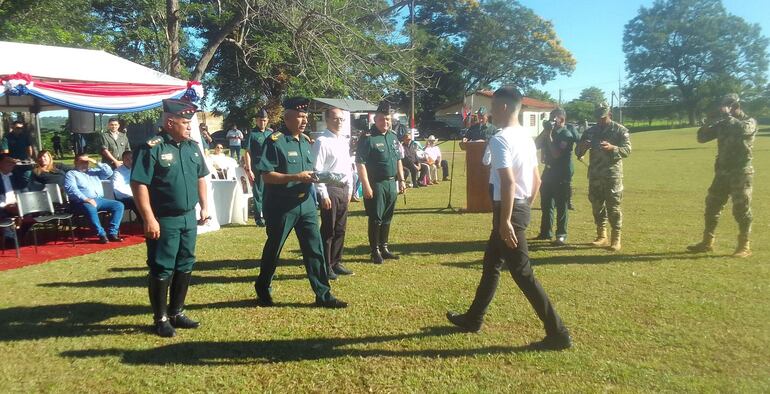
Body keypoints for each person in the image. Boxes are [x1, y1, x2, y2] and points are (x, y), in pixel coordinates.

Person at [446, 87, 572, 351]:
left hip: (509, 210)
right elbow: (536, 179)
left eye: (492, 108)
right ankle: (473, 318)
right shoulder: (526, 137)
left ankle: (557, 332)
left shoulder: (501, 139)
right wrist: (525, 208)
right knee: (491, 263)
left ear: (503, 108)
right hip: (518, 207)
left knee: (522, 272)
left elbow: (508, 182)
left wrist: (506, 221)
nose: (490, 113)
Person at [254, 97, 347, 309]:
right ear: (287, 117)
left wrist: (320, 178)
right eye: (300, 116)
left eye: (306, 116)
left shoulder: (306, 141)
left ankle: (323, 295)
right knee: (274, 249)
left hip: (306, 204)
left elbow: (310, 173)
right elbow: (267, 176)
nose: (304, 120)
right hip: (281, 206)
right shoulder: (275, 141)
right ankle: (263, 287)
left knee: (315, 250)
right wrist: (296, 177)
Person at [130, 99, 210, 338]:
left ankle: (177, 311)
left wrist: (204, 206)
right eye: (185, 122)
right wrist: (149, 218)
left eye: (190, 123)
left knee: (186, 263)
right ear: (169, 122)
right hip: (164, 219)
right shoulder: (151, 147)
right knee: (162, 266)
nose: (189, 127)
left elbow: (201, 178)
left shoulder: (192, 147)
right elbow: (139, 183)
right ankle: (161, 318)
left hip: (188, 217)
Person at [687, 93, 757, 258]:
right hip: (722, 172)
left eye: (729, 105)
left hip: (741, 172)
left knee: (741, 209)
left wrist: (726, 117)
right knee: (712, 206)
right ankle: (707, 241)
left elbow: (742, 130)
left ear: (736, 106)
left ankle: (744, 244)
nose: (725, 108)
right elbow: (701, 138)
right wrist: (708, 122)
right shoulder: (723, 123)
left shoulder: (749, 121)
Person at [575, 102, 631, 252]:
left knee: (613, 206)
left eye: (603, 118)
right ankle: (601, 235)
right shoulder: (590, 131)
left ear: (609, 115)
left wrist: (613, 148)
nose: (600, 121)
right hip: (595, 175)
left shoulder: (619, 130)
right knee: (597, 205)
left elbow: (627, 150)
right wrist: (583, 147)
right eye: (598, 118)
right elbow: (578, 153)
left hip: (612, 175)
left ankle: (616, 238)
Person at [356, 101, 407, 264]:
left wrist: (402, 180)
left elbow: (398, 159)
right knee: (376, 217)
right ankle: (374, 251)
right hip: (376, 183)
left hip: (392, 183)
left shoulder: (392, 136)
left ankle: (384, 247)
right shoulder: (368, 138)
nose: (385, 122)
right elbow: (360, 163)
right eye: (382, 119)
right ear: (375, 120)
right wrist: (366, 185)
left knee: (387, 217)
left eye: (388, 119)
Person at [312, 107, 355, 279]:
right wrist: (323, 194)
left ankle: (336, 262)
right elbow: (317, 170)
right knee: (328, 230)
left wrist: (350, 188)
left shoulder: (343, 141)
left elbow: (347, 167)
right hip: (330, 189)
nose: (339, 122)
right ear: (327, 120)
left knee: (340, 228)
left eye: (342, 119)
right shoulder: (322, 141)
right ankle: (325, 264)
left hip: (343, 188)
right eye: (336, 119)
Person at [533, 108, 576, 246]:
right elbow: (535, 145)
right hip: (549, 172)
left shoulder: (566, 134)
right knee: (546, 203)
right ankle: (545, 232)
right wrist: (545, 132)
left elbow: (556, 154)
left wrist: (550, 135)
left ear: (561, 119)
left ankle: (561, 234)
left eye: (553, 119)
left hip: (562, 172)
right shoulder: (548, 132)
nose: (551, 121)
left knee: (561, 205)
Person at [64, 153, 124, 244]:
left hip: (99, 200)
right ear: (75, 162)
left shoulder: (94, 171)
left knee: (118, 205)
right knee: (90, 207)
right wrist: (86, 199)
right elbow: (72, 190)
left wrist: (95, 162)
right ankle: (101, 234)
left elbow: (109, 172)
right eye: (82, 161)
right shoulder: (71, 174)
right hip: (81, 202)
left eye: (87, 161)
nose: (85, 163)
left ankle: (112, 233)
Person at [243, 108, 273, 227]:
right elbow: (247, 152)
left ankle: (268, 215)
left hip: (269, 168)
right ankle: (258, 218)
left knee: (268, 193)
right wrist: (249, 169)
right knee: (258, 193)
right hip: (257, 168)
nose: (263, 123)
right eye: (261, 120)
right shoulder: (252, 134)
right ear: (256, 120)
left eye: (265, 120)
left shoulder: (270, 133)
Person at [2, 119, 35, 189]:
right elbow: (5, 153)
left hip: (24, 164)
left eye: (21, 128)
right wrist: (12, 159)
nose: (20, 130)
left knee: (27, 180)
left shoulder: (25, 136)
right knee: (14, 183)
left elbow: (29, 148)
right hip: (12, 165)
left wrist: (29, 157)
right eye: (17, 128)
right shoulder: (7, 138)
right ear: (12, 128)